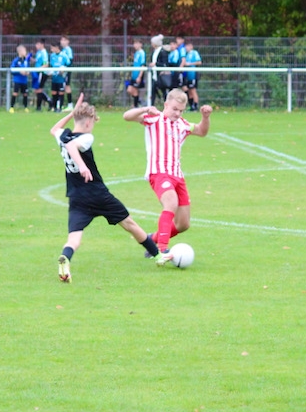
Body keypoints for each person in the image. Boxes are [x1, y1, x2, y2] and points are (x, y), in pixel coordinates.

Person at [52, 93, 160, 283]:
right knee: (129, 224)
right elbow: (72, 147)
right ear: (88, 122)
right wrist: (83, 166)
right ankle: (158, 255)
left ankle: (65, 257)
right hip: (97, 194)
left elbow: (54, 129)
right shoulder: (86, 138)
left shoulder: (63, 135)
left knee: (74, 239)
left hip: (76, 196)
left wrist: (71, 113)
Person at [123, 88, 212, 265]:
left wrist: (205, 117)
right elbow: (127, 116)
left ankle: (152, 239)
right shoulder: (154, 119)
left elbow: (202, 131)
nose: (177, 113)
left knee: (183, 224)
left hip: (178, 176)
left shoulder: (183, 125)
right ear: (166, 105)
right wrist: (145, 109)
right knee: (171, 202)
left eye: (181, 110)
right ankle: (161, 250)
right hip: (159, 173)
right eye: (174, 109)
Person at [150, 34, 173, 104]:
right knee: (153, 91)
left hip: (161, 75)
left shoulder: (163, 52)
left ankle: (167, 105)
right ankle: (151, 106)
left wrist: (156, 64)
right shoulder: (154, 51)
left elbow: (165, 64)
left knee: (164, 92)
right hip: (155, 75)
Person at [126, 39, 147, 107]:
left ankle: (136, 106)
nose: (135, 45)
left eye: (137, 43)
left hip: (138, 75)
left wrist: (139, 76)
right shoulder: (136, 53)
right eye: (134, 43)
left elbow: (143, 65)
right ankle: (139, 101)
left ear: (141, 44)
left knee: (135, 91)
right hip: (134, 76)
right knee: (129, 90)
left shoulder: (142, 53)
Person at [10, 44, 31, 112]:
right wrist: (19, 72)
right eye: (24, 51)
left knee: (25, 94)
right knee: (15, 93)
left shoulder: (26, 60)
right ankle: (11, 107)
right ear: (20, 52)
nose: (25, 52)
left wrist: (27, 72)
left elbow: (28, 68)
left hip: (24, 80)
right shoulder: (16, 60)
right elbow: (12, 70)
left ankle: (25, 107)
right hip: (17, 80)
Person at [183, 40, 202, 111]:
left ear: (191, 46)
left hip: (193, 74)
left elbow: (199, 62)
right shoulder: (186, 54)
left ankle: (196, 106)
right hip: (188, 75)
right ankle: (191, 107)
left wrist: (189, 64)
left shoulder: (194, 53)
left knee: (193, 90)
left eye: (187, 46)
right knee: (189, 90)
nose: (186, 48)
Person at [32, 39, 51, 111]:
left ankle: (39, 107)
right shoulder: (38, 52)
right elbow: (37, 61)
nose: (36, 46)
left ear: (42, 45)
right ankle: (49, 101)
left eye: (38, 44)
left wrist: (39, 69)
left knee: (39, 89)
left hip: (42, 73)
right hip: (38, 72)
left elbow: (46, 64)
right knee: (37, 90)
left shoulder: (44, 53)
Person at [49, 42, 67, 112]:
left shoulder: (63, 55)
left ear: (57, 47)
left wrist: (64, 70)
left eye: (52, 48)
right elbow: (51, 65)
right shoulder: (52, 56)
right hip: (54, 78)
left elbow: (68, 64)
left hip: (61, 78)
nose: (51, 49)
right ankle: (54, 108)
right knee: (54, 92)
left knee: (61, 93)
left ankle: (60, 107)